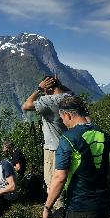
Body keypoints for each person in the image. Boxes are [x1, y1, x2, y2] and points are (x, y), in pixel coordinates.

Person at [24, 75, 73, 206]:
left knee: (53, 185)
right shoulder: (70, 98)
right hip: (71, 146)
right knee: (69, 181)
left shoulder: (49, 101)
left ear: (47, 88)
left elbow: (26, 105)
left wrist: (39, 89)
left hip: (53, 150)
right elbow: (66, 91)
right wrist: (58, 84)